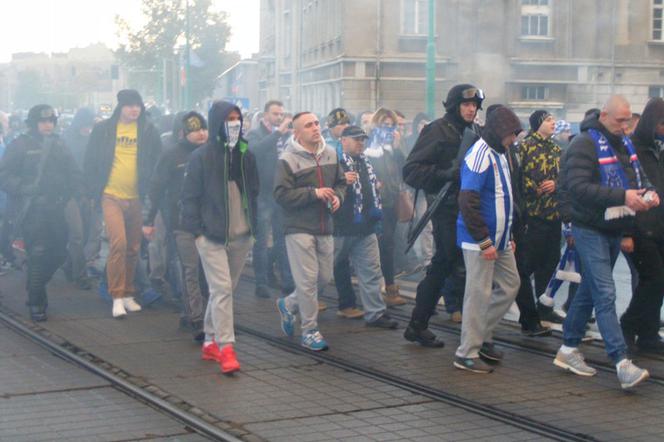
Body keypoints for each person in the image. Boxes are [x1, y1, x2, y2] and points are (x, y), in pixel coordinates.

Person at [554, 96, 658, 390]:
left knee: (589, 290)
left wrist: (647, 193)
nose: (625, 127)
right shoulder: (584, 143)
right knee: (605, 292)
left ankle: (568, 349)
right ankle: (621, 361)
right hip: (590, 227)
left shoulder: (623, 144)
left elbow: (638, 178)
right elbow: (577, 187)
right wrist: (623, 197)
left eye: (628, 121)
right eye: (620, 120)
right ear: (604, 116)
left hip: (615, 225)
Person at [402, 84, 484, 347]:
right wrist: (444, 174)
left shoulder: (474, 131)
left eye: (474, 105)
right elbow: (411, 171)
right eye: (466, 105)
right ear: (454, 106)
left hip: (470, 209)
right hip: (446, 208)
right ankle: (418, 323)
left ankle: (471, 330)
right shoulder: (437, 130)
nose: (471, 109)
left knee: (466, 268)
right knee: (444, 264)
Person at [181, 101, 259, 374]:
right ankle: (226, 347)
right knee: (222, 289)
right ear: (217, 123)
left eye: (238, 118)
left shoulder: (246, 154)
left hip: (241, 234)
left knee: (223, 290)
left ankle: (210, 341)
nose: (235, 124)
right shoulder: (201, 157)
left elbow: (255, 191)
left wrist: (254, 228)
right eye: (229, 119)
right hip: (211, 236)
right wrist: (198, 232)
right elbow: (189, 198)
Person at [453, 105, 522, 373]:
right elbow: (467, 201)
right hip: (480, 240)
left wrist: (508, 234)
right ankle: (466, 352)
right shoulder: (480, 154)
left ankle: (479, 337)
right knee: (478, 294)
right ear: (498, 131)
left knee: (510, 285)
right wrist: (484, 240)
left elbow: (504, 196)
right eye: (510, 133)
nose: (513, 138)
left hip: (500, 238)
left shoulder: (500, 152)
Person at [84, 89, 162, 318]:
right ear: (120, 107)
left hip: (137, 197)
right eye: (129, 105)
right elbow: (90, 161)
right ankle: (116, 295)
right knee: (118, 243)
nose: (134, 109)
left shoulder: (148, 131)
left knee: (133, 248)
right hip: (110, 195)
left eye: (138, 105)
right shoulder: (104, 130)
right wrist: (92, 191)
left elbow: (157, 162)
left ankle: (128, 292)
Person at [0, 105, 83, 321]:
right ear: (34, 123)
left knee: (58, 253)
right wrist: (24, 187)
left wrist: (77, 194)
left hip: (56, 207)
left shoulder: (60, 143)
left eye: (51, 121)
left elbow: (73, 172)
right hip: (32, 209)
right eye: (43, 121)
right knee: (37, 254)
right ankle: (37, 301)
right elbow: (4, 175)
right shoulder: (20, 145)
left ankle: (35, 286)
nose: (48, 125)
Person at [274, 111, 345, 351]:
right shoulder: (288, 159)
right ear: (297, 133)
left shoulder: (331, 153)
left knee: (323, 278)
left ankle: (289, 304)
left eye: (316, 123)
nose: (315, 128)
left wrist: (339, 198)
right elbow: (281, 195)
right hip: (298, 227)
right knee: (306, 281)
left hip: (325, 225)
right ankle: (310, 330)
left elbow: (341, 182)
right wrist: (313, 193)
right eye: (308, 125)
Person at [145, 111, 209, 340]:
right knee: (189, 269)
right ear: (184, 133)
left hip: (210, 223)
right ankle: (197, 319)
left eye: (203, 129)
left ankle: (191, 311)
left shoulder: (214, 154)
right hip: (181, 222)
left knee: (206, 273)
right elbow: (155, 187)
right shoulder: (171, 155)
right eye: (195, 130)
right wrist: (148, 219)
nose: (201, 134)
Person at [333, 125, 398, 328]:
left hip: (365, 228)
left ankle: (375, 314)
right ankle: (294, 304)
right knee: (321, 272)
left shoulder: (366, 162)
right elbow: (324, 188)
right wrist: (342, 180)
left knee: (371, 271)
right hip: (341, 228)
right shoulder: (333, 161)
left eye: (363, 139)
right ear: (344, 140)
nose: (361, 142)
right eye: (356, 139)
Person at [620, 97, 664, 355]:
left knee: (659, 281)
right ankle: (628, 323)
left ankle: (648, 334)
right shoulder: (632, 148)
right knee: (653, 279)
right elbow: (625, 189)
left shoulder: (659, 149)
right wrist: (626, 231)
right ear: (652, 123)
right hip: (640, 227)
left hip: (660, 226)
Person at [515, 110, 562, 334]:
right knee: (529, 263)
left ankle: (544, 305)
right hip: (533, 214)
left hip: (554, 214)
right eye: (548, 120)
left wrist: (557, 184)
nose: (553, 123)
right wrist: (534, 188)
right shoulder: (524, 146)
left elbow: (566, 176)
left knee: (550, 262)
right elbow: (518, 176)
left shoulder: (556, 149)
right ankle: (527, 310)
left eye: (553, 119)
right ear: (537, 124)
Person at [246, 100, 294, 299]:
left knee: (283, 240)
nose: (279, 118)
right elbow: (254, 151)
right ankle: (261, 282)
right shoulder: (255, 134)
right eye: (275, 114)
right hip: (262, 194)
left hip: (280, 193)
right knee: (261, 240)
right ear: (265, 115)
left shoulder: (285, 137)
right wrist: (277, 133)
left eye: (281, 114)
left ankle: (288, 281)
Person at [366, 108, 407, 306]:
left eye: (391, 126)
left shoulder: (393, 149)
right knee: (383, 244)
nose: (388, 130)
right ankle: (384, 288)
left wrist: (398, 148)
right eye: (385, 125)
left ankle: (388, 286)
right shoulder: (369, 148)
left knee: (389, 244)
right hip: (374, 204)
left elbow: (405, 169)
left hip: (391, 202)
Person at [62, 107, 97, 290]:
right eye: (85, 125)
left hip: (86, 193)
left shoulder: (90, 139)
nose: (87, 129)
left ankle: (70, 264)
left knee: (84, 235)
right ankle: (80, 274)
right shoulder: (65, 140)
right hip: (70, 194)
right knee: (77, 234)